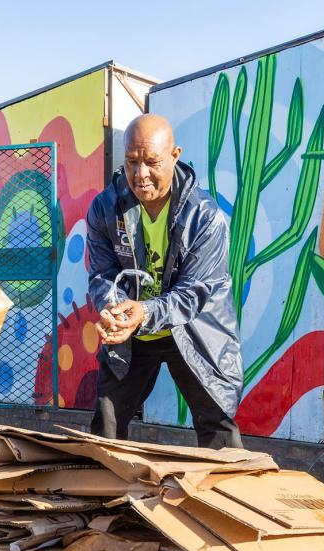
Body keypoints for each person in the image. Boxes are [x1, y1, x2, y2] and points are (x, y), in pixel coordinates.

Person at [86, 114, 244, 449]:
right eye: (131, 162)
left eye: (152, 162)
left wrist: (143, 311)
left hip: (194, 329)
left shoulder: (204, 216)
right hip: (134, 330)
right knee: (106, 426)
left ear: (175, 156)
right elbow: (103, 275)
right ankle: (103, 498)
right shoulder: (104, 208)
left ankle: (225, 495)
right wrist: (111, 310)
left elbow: (195, 294)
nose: (140, 175)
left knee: (218, 429)